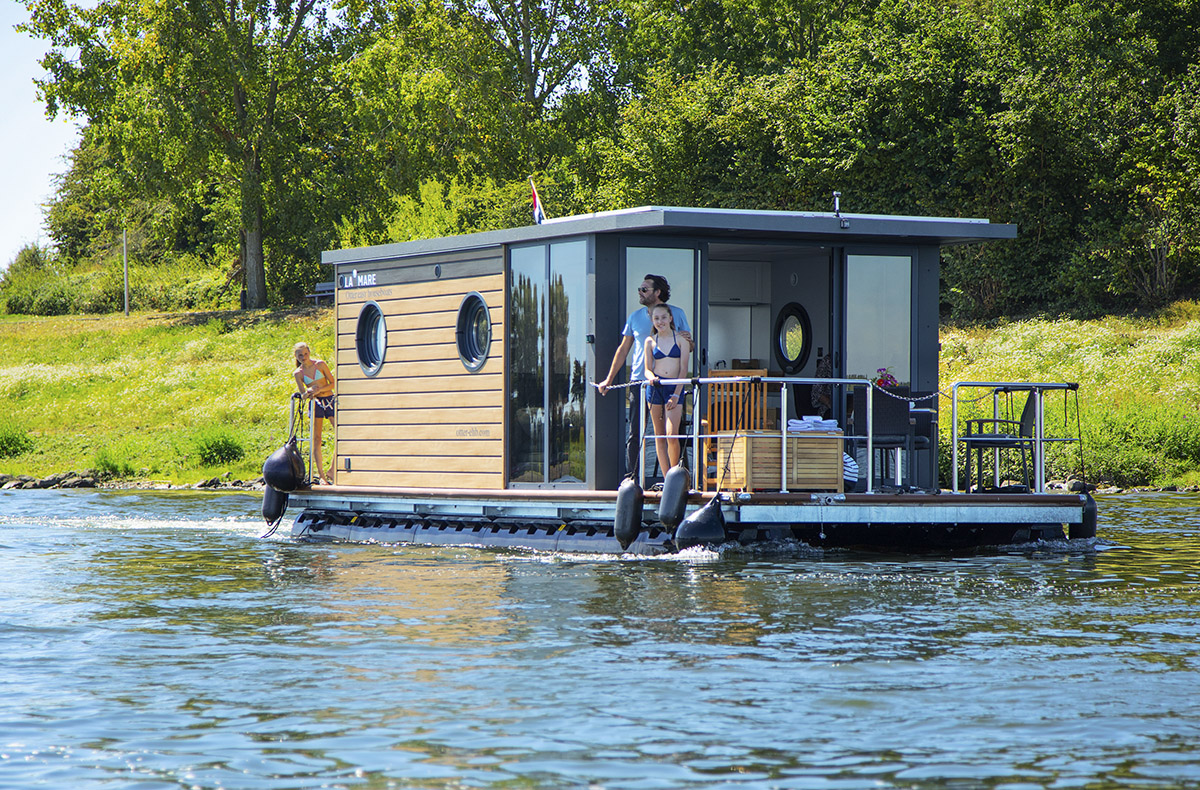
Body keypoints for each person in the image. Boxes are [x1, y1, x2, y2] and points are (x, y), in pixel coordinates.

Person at [598, 274, 692, 478]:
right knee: (636, 431)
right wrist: (609, 379)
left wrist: (688, 341)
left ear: (657, 292)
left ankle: (678, 477)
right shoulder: (634, 317)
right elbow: (623, 350)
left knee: (673, 433)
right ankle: (632, 477)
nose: (639, 293)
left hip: (671, 382)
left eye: (644, 289)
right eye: (639, 290)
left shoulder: (676, 313)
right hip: (640, 381)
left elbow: (688, 346)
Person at [644, 304, 691, 471]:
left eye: (663, 317)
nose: (660, 321)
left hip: (674, 387)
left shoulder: (681, 340)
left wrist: (677, 395)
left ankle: (674, 474)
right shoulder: (650, 341)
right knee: (660, 436)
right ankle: (666, 479)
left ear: (670, 318)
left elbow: (684, 369)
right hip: (656, 387)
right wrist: (652, 379)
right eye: (656, 318)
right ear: (652, 320)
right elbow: (647, 369)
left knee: (672, 435)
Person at [292, 342, 337, 485]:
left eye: (305, 354)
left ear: (309, 352)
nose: (303, 357)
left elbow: (333, 384)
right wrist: (309, 393)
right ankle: (321, 475)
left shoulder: (320, 364)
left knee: (340, 435)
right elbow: (303, 395)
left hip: (329, 400)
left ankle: (332, 469)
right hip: (315, 403)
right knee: (317, 439)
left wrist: (319, 390)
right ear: (296, 356)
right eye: (300, 355)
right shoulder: (298, 373)